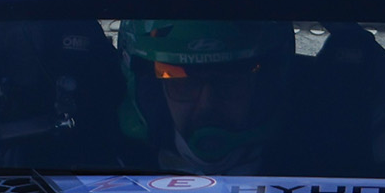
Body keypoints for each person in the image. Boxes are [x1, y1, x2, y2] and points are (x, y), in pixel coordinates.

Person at [117, 18, 287, 171]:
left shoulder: (302, 160)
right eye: (184, 84)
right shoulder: (113, 165)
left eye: (230, 82)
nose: (207, 104)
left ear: (262, 89)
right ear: (155, 92)